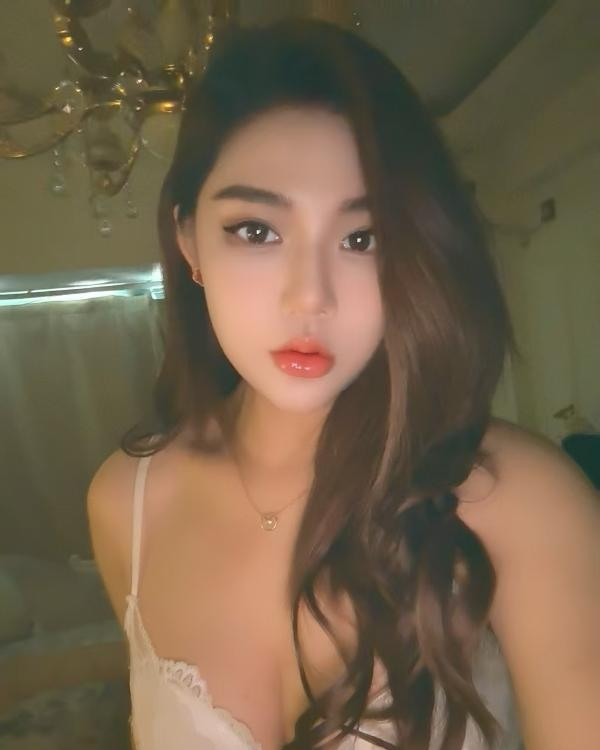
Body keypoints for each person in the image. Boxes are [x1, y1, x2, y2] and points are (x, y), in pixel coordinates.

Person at [86, 17, 600, 750]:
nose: (311, 297)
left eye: (364, 238)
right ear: (189, 239)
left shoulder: (518, 499)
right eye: (257, 230)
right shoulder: (123, 505)